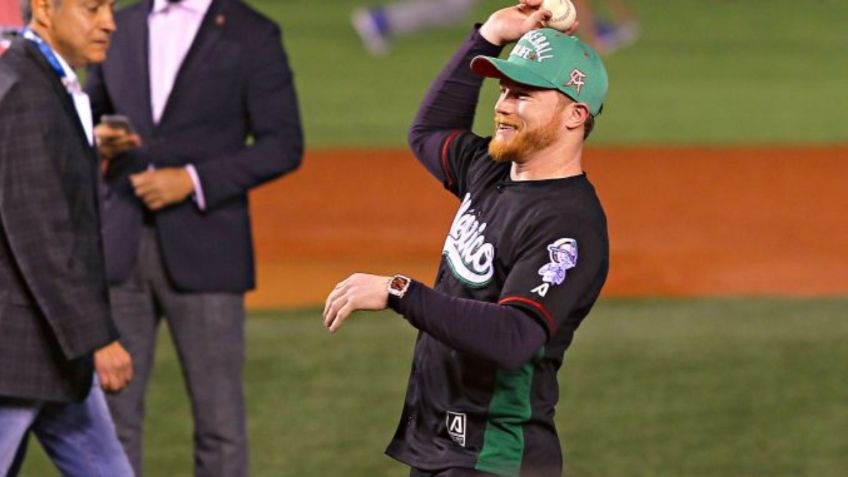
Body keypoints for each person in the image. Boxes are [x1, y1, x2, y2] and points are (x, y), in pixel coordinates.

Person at [325, 0, 609, 475]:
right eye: (504, 88)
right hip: (441, 445)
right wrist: (490, 34)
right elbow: (429, 131)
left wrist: (400, 293)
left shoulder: (568, 224)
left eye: (524, 94)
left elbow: (515, 336)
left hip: (495, 457)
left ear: (575, 115)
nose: (502, 105)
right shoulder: (490, 169)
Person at [83, 0, 304, 475]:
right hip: (119, 244)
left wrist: (193, 180)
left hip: (208, 249)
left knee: (219, 425)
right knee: (112, 422)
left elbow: (283, 143)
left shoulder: (251, 32)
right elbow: (90, 109)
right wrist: (99, 135)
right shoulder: (119, 22)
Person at [0, 0, 134, 475]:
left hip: (53, 352)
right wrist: (96, 338)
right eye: (92, 7)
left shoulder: (46, 79)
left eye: (111, 8)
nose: (109, 21)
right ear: (43, 8)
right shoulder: (23, 89)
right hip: (16, 353)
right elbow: (41, 232)